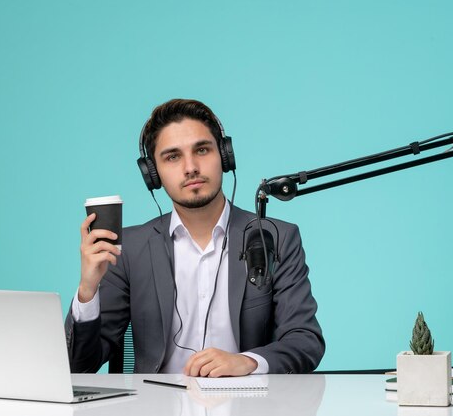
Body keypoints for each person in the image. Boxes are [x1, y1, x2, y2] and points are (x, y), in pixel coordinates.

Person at [65, 99, 324, 376]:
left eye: (201, 150)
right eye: (173, 157)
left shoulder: (277, 237)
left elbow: (304, 341)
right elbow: (80, 366)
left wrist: (248, 361)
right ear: (153, 174)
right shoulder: (129, 250)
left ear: (225, 156)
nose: (190, 167)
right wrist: (87, 290)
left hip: (246, 404)